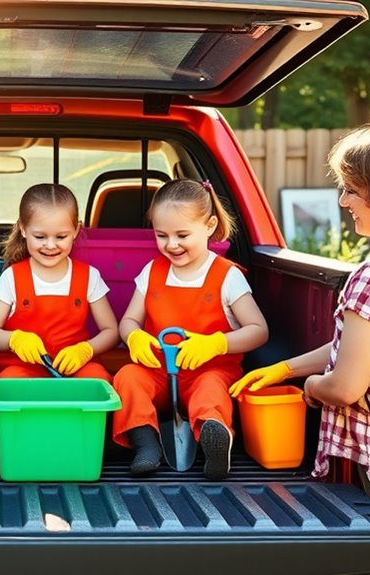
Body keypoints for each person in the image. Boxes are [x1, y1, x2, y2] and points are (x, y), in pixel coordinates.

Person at [229, 127, 370, 536]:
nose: (343, 201)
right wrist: (285, 369)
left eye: (352, 190)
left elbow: (346, 387)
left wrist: (311, 387)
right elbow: (356, 347)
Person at [112, 179, 268, 479]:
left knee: (210, 392)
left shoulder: (227, 276)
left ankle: (215, 441)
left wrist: (215, 344)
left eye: (182, 235)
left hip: (210, 369)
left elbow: (258, 330)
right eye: (161, 235)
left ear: (209, 226)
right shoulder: (152, 271)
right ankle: (146, 444)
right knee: (127, 378)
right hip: (158, 370)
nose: (171, 244)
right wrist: (133, 336)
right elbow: (129, 320)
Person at [0, 183, 118, 381]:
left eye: (61, 236)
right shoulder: (12, 277)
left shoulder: (89, 276)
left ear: (76, 230)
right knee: (8, 383)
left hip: (74, 369)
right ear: (23, 229)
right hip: (21, 369)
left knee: (98, 379)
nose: (50, 245)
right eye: (40, 236)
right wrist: (14, 339)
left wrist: (85, 350)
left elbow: (111, 332)